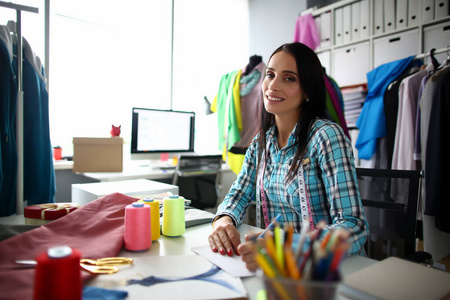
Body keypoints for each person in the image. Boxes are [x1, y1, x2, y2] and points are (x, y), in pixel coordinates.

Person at [207, 42, 369, 271]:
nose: (272, 86)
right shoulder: (260, 143)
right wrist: (224, 220)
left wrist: (291, 247)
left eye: (289, 78)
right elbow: (239, 193)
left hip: (331, 271)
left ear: (307, 91)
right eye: (270, 75)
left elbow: (354, 226)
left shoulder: (326, 137)